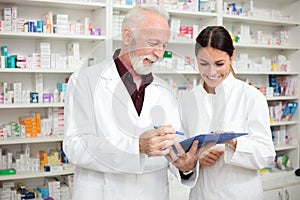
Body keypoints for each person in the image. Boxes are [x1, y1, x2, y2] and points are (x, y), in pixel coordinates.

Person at [63, 4, 200, 200]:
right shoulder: (85, 81)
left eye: (164, 46)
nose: (159, 54)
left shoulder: (165, 91)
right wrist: (136, 146)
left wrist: (185, 166)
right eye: (153, 43)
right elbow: (75, 146)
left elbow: (173, 144)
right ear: (127, 36)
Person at [180, 26, 276, 200]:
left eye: (219, 64)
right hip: (202, 194)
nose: (211, 72)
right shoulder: (187, 100)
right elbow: (181, 152)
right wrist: (195, 162)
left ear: (232, 57)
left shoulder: (251, 97)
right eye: (204, 64)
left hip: (240, 194)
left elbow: (266, 155)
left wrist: (233, 142)